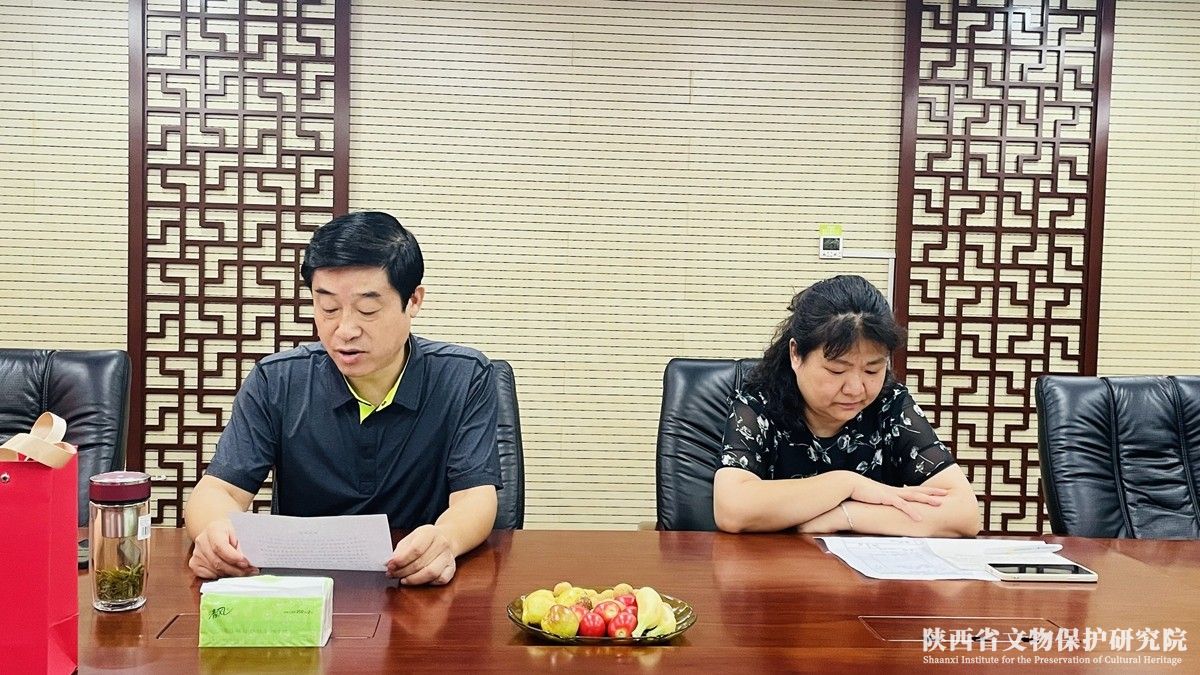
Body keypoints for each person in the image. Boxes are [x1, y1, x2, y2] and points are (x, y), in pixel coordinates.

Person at [184, 211, 501, 585]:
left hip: (416, 585)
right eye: (328, 308)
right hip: (300, 588)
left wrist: (446, 540)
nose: (345, 330)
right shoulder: (278, 381)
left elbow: (475, 497)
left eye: (368, 309)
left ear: (413, 301)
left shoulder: (463, 377)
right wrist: (216, 533)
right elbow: (218, 489)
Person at [713, 275, 980, 536]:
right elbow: (732, 509)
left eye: (872, 370)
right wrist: (846, 484)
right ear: (796, 354)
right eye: (836, 370)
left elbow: (964, 513)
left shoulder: (890, 406)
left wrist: (844, 515)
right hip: (775, 564)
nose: (855, 389)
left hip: (870, 565)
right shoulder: (759, 403)